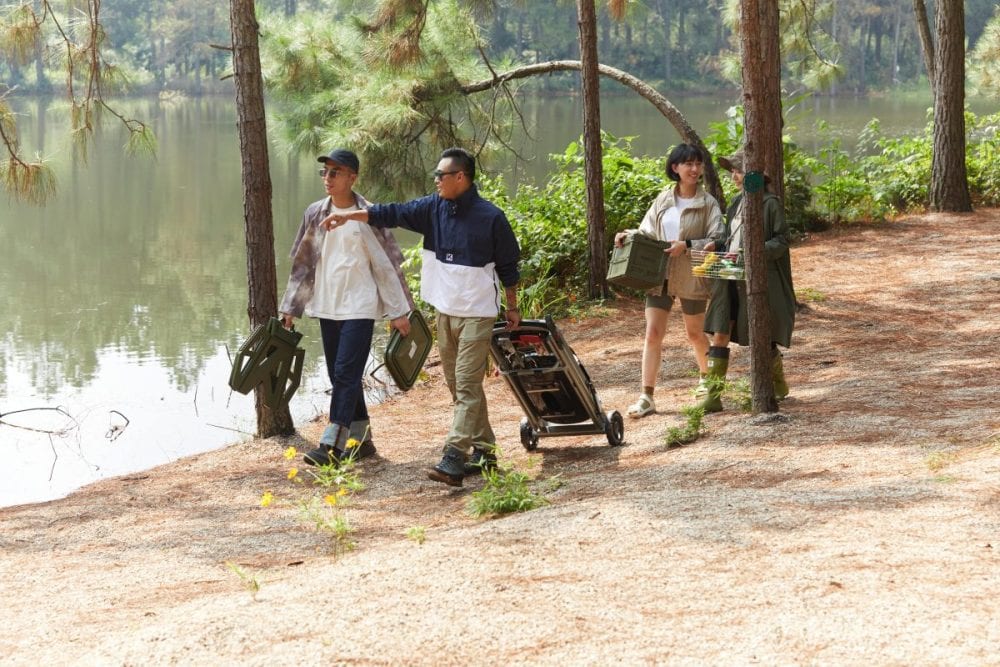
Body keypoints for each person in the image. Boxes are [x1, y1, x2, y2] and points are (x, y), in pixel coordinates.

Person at [323, 147, 521, 487]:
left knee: (468, 384)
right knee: (458, 385)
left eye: (440, 176)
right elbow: (390, 213)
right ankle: (486, 452)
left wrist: (513, 307)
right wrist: (349, 216)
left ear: (461, 177)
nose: (436, 181)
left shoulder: (492, 217)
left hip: (478, 313)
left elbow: (508, 267)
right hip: (445, 311)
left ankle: (454, 457)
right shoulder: (433, 208)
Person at [278, 148, 414, 467]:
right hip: (327, 305)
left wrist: (399, 311)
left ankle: (332, 444)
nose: (328, 178)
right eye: (324, 172)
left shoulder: (369, 215)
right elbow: (302, 266)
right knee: (341, 376)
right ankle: (362, 440)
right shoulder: (315, 213)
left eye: (335, 172)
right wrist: (290, 307)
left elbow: (386, 266)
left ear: (353, 177)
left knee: (345, 372)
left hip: (360, 306)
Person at [615, 143, 724, 419]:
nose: (694, 169)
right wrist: (627, 234)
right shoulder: (663, 199)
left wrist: (686, 245)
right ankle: (646, 396)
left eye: (698, 164)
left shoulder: (707, 202)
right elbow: (647, 231)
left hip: (692, 275)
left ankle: (707, 381)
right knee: (652, 334)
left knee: (695, 333)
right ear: (675, 168)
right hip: (659, 275)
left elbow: (717, 238)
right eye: (688, 164)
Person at [697, 150, 795, 412]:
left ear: (755, 175)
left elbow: (782, 241)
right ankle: (713, 396)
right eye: (732, 172)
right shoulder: (736, 202)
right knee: (720, 330)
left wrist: (754, 253)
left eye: (738, 171)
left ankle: (777, 384)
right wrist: (716, 245)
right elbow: (733, 238)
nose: (734, 177)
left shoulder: (770, 203)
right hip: (729, 274)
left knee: (762, 333)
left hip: (759, 278)